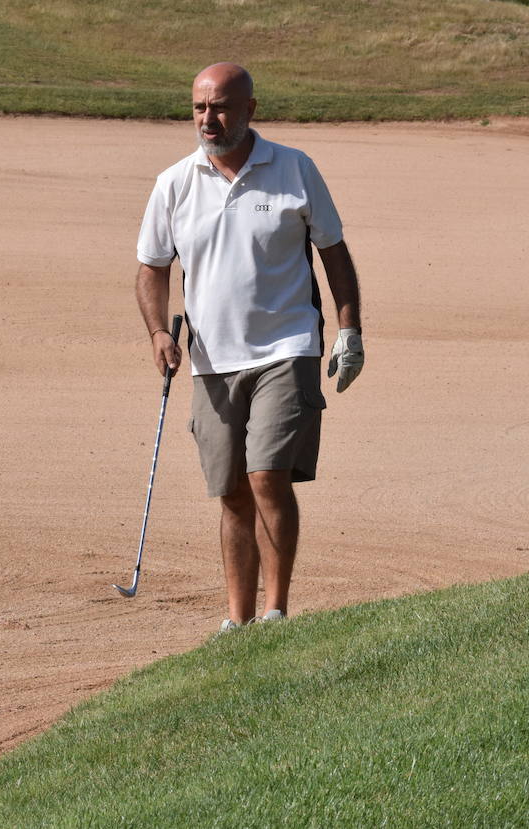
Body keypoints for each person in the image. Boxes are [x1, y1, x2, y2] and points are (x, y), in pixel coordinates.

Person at [134, 62, 364, 634]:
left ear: (249, 110)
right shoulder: (175, 183)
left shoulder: (293, 168)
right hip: (213, 360)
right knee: (232, 490)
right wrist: (159, 332)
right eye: (198, 108)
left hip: (287, 346)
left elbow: (334, 253)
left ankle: (276, 611)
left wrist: (349, 329)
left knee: (266, 475)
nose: (207, 119)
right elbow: (151, 268)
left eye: (220, 108)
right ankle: (236, 622)